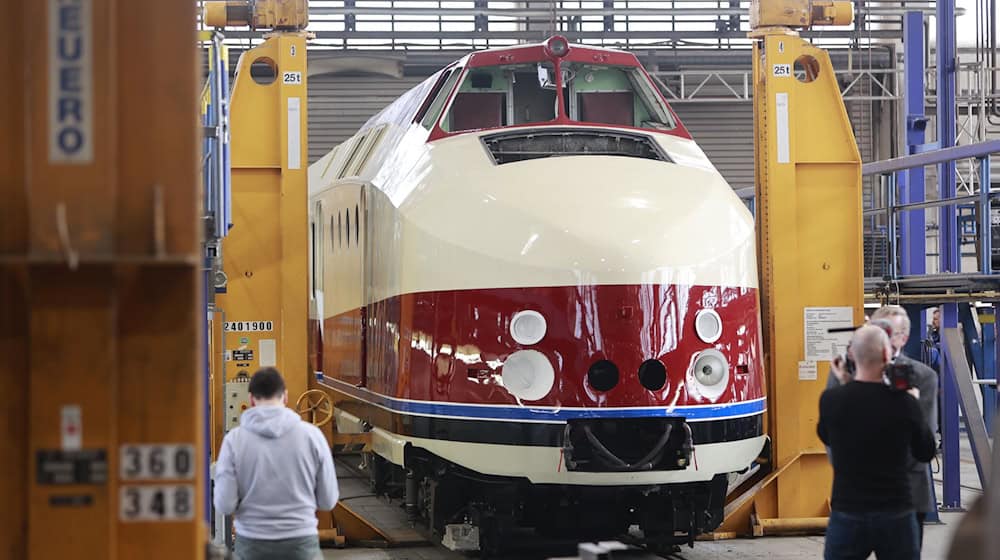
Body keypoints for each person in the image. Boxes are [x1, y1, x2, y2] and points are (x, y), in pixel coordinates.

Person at [818, 325, 936, 560]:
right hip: (896, 511)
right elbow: (925, 451)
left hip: (847, 510)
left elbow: (826, 436)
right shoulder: (904, 402)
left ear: (852, 355)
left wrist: (844, 382)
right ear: (886, 355)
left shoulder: (831, 400)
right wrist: (914, 406)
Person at [214, 367, 339, 560]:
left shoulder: (234, 442)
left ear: (251, 400)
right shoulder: (311, 436)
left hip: (252, 545)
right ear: (286, 397)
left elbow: (224, 504)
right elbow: (328, 500)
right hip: (301, 544)